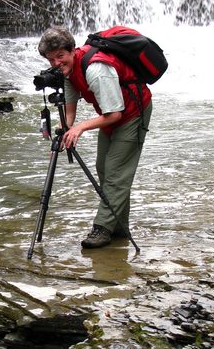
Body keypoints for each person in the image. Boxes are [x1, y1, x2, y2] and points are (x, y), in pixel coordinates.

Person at [37, 25, 153, 249]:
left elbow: (114, 113)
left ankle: (102, 228)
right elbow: (70, 111)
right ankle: (119, 226)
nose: (56, 64)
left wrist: (79, 129)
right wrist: (65, 129)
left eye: (60, 56)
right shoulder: (69, 72)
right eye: (51, 60)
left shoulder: (96, 69)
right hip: (111, 115)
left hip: (132, 113)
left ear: (72, 50)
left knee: (116, 172)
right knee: (104, 168)